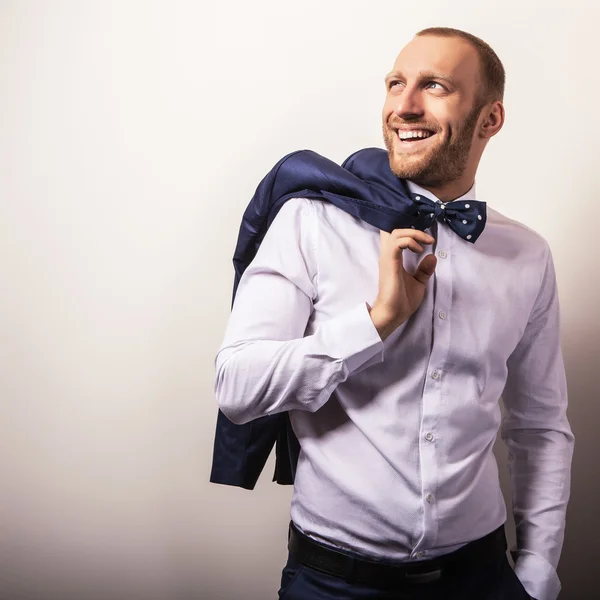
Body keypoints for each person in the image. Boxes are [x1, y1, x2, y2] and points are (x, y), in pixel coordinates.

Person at [214, 27, 574, 600]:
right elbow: (236, 386)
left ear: (490, 119)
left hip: (482, 577)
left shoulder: (526, 254)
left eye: (434, 86)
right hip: (331, 583)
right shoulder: (312, 221)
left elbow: (540, 427)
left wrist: (536, 572)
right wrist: (375, 322)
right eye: (395, 83)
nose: (404, 105)